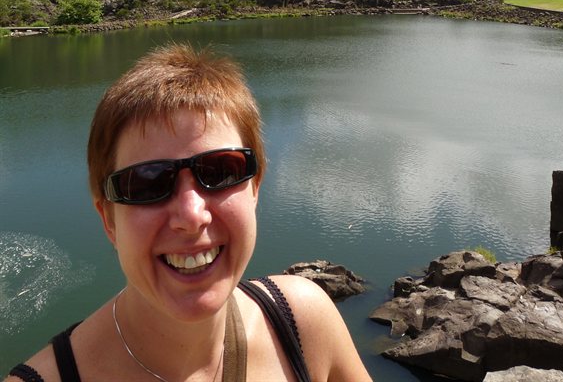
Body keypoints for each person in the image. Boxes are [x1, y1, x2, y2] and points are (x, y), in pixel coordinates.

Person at [6, 43, 372, 382]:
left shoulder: (302, 325)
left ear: (255, 188)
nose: (192, 214)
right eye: (147, 183)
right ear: (109, 221)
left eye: (220, 171)